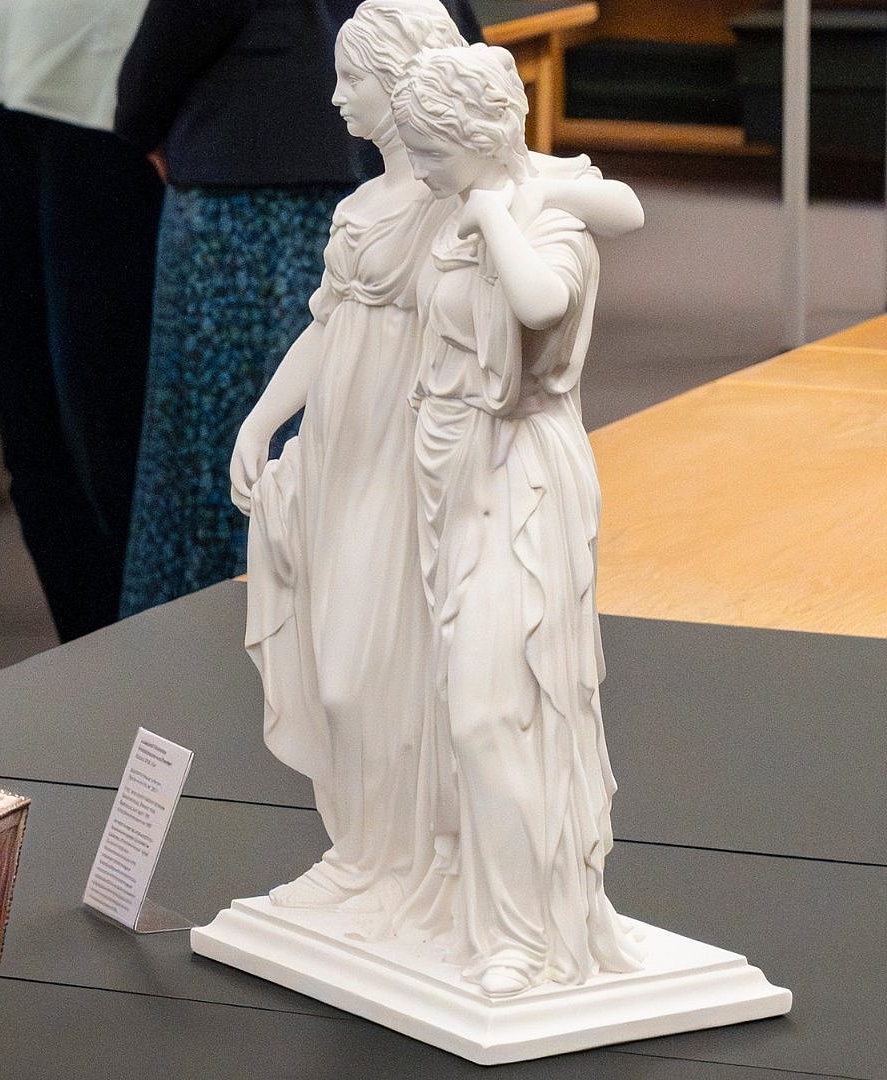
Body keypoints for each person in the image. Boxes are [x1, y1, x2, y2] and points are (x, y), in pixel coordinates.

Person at [229, 0, 644, 917]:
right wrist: (265, 419)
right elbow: (327, 323)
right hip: (342, 439)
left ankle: (428, 862)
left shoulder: (465, 183)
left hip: (416, 445)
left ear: (403, 86)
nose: (336, 97)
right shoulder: (366, 202)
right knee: (340, 656)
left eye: (353, 79)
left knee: (400, 665)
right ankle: (363, 853)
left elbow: (615, 209)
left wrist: (516, 196)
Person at [386, 43, 641, 997]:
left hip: (523, 474)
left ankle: (527, 937)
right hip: (451, 470)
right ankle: (494, 913)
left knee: (499, 706)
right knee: (467, 704)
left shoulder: (541, 222)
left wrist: (500, 207)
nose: (418, 170)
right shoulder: (459, 210)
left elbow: (539, 302)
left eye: (429, 152)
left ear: (477, 144)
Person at [112, 0, 480, 618]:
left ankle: (206, 648)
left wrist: (141, 124)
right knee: (350, 448)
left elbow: (155, 68)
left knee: (218, 457)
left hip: (235, 202)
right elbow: (458, 45)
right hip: (381, 186)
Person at [0, 0, 163, 642]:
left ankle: (155, 696)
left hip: (123, 78)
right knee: (32, 436)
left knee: (118, 443)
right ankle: (97, 680)